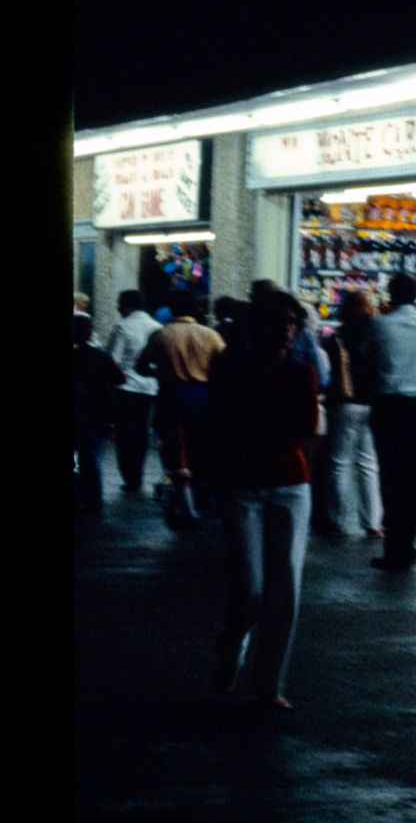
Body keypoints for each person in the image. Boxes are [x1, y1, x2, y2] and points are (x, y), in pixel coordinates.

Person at [209, 288, 321, 710]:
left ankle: (269, 682)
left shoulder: (300, 369)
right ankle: (232, 645)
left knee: (286, 588)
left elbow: (305, 424)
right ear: (262, 324)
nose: (289, 330)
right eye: (282, 321)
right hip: (246, 483)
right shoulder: (233, 367)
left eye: (294, 323)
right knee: (251, 587)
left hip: (289, 482)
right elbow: (225, 421)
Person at [363, 274, 416, 571]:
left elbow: (367, 356)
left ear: (391, 294)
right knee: (414, 475)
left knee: (391, 475)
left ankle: (393, 545)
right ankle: (409, 542)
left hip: (390, 403)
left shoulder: (379, 325)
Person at [137, 289, 225, 528]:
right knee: (202, 450)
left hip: (171, 397)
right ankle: (202, 498)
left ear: (172, 309)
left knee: (175, 453)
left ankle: (187, 506)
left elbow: (142, 366)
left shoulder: (161, 335)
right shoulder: (212, 336)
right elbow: (223, 368)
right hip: (204, 399)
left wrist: (163, 371)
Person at [320, 291, 384, 539]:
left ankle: (338, 519)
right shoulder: (377, 334)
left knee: (339, 462)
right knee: (369, 463)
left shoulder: (337, 337)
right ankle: (373, 522)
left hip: (345, 403)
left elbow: (327, 372)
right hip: (371, 403)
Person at [105, 289, 162, 493]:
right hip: (149, 387)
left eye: (120, 304)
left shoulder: (122, 327)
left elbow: (112, 359)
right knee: (141, 432)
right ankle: (138, 472)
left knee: (125, 432)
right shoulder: (156, 326)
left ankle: (130, 476)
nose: (118, 308)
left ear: (127, 305)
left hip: (126, 386)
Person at [73, 314, 124, 513]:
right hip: (96, 413)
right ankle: (93, 499)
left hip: (80, 412)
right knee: (92, 456)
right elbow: (118, 379)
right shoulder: (101, 356)